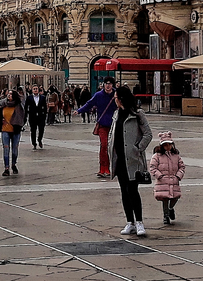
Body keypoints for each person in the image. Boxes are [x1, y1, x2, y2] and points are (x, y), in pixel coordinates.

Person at [110, 84, 153, 236]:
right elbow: (113, 133)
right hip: (120, 158)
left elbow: (148, 134)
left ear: (121, 99)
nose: (114, 100)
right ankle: (130, 222)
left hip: (133, 159)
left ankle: (140, 222)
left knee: (132, 190)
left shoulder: (137, 114)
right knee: (123, 191)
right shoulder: (116, 114)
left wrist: (138, 148)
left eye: (115, 97)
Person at [77, 79, 118, 179]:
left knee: (112, 148)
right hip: (103, 125)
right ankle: (103, 168)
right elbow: (89, 104)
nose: (108, 86)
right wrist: (79, 110)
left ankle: (111, 167)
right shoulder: (98, 95)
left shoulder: (116, 95)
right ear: (103, 85)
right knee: (104, 146)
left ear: (112, 85)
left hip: (114, 125)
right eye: (106, 84)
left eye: (110, 84)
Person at [148, 131, 185, 226]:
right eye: (165, 145)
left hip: (174, 180)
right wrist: (159, 175)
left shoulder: (176, 156)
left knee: (175, 196)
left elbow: (182, 167)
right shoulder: (157, 156)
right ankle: (165, 215)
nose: (168, 147)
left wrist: (178, 176)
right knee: (165, 198)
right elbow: (152, 167)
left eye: (169, 145)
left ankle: (171, 208)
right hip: (163, 181)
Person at [0, 90, 26, 176]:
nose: (9, 95)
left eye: (11, 94)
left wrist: (20, 124)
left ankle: (13, 164)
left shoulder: (18, 106)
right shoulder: (3, 104)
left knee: (14, 149)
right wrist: (0, 120)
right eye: (8, 94)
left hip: (15, 130)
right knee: (6, 149)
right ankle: (6, 168)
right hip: (5, 129)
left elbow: (23, 116)